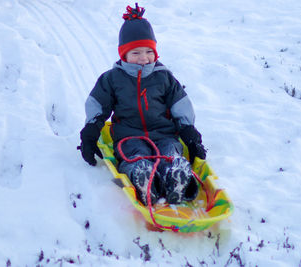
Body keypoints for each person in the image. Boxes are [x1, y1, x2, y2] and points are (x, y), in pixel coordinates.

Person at [78, 3, 206, 205]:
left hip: (165, 134)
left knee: (170, 153)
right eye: (135, 53)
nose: (143, 58)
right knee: (136, 156)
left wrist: (189, 132)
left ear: (155, 52)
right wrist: (91, 130)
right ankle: (142, 179)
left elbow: (180, 105)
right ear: (124, 54)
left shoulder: (164, 77)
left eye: (148, 51)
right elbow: (98, 104)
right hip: (129, 136)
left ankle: (177, 176)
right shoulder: (112, 79)